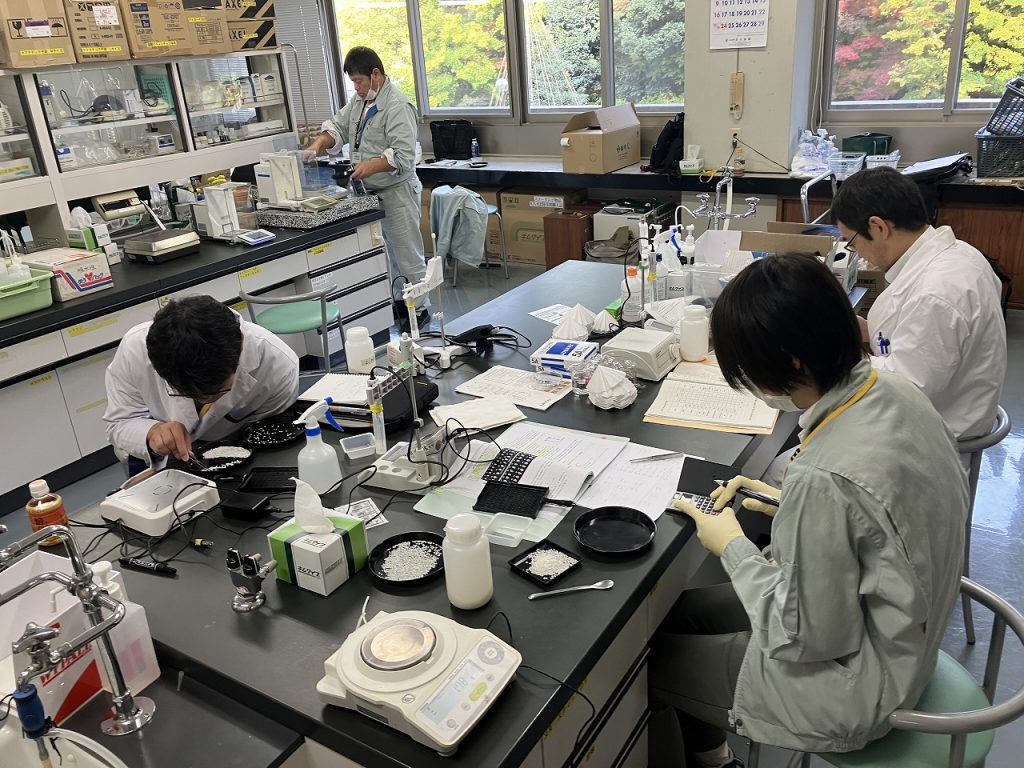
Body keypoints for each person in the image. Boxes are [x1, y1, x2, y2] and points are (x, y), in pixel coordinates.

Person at [650, 254, 968, 768]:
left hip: (859, 685)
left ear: (791, 361)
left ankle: (711, 761)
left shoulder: (824, 479)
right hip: (901, 625)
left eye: (748, 369)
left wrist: (732, 545)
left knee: (644, 661)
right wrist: (787, 503)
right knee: (680, 614)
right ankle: (713, 755)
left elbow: (802, 635)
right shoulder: (893, 390)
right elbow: (877, 521)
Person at [832, 166, 1006, 444]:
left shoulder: (936, 293)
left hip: (928, 441)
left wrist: (830, 353)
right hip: (942, 408)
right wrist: (866, 331)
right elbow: (923, 345)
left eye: (851, 241)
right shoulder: (960, 254)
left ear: (878, 227)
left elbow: (903, 391)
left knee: (787, 464)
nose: (857, 253)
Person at [304, 47, 429, 325]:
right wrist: (317, 145)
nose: (356, 87)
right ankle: (399, 303)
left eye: (359, 81)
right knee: (385, 256)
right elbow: (337, 127)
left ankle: (419, 309)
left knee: (407, 255)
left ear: (375, 74)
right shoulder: (359, 103)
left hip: (397, 192)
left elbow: (403, 156)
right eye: (353, 82)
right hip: (368, 195)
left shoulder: (397, 106)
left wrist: (370, 166)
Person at [104, 295, 299, 466]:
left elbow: (269, 439)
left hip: (241, 457)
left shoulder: (277, 366)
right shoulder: (135, 351)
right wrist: (152, 432)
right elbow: (119, 423)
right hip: (163, 461)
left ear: (240, 345)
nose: (202, 400)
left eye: (215, 393)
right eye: (186, 393)